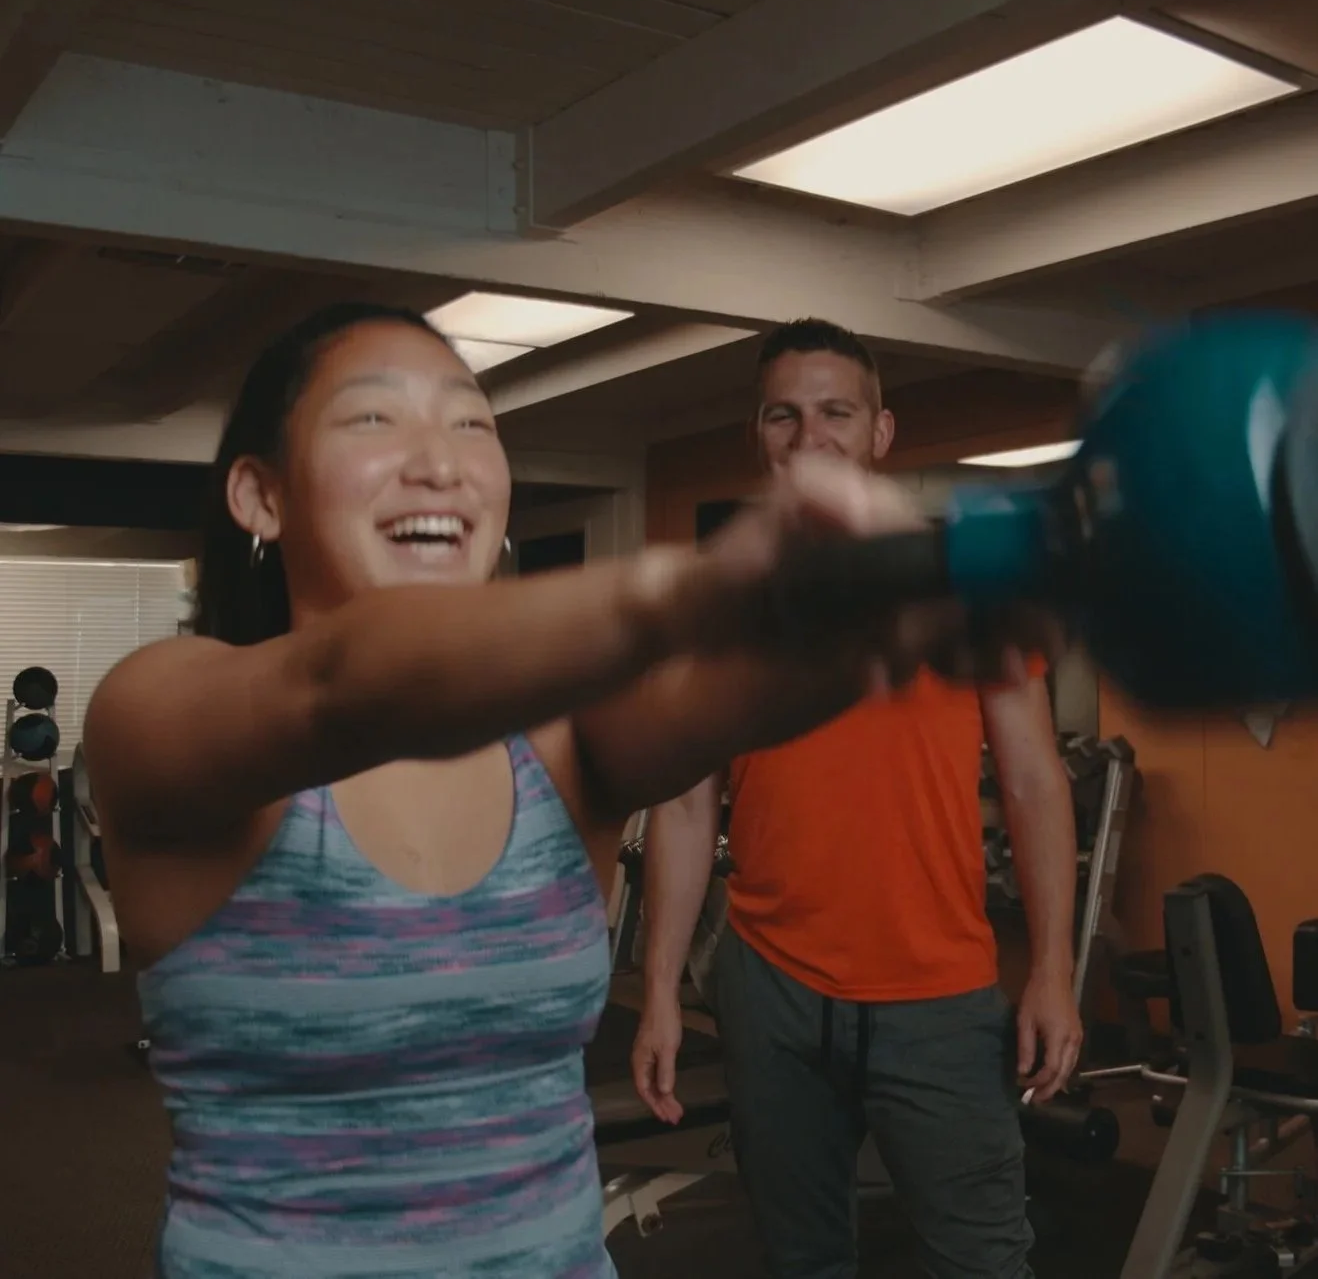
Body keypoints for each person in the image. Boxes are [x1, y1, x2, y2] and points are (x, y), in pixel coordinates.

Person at [82, 303, 1051, 1279]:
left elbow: (742, 692)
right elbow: (341, 687)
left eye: (471, 423)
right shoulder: (159, 709)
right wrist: (690, 587)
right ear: (259, 494)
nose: (441, 462)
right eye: (373, 420)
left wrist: (914, 597)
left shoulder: (563, 745)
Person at [633, 318, 1082, 1279]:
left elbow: (1036, 780)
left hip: (940, 993)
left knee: (983, 1260)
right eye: (783, 416)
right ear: (759, 435)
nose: (810, 437)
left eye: (836, 412)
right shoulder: (721, 606)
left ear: (881, 431)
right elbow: (681, 807)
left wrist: (1053, 968)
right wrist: (661, 989)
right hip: (768, 989)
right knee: (802, 1258)